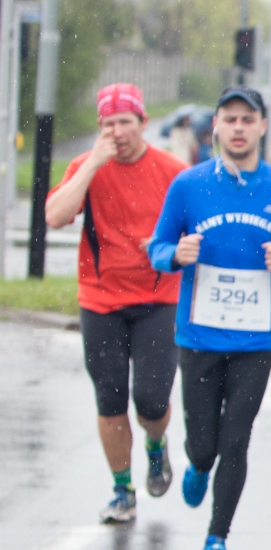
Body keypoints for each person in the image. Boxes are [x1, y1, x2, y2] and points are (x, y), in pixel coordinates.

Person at [147, 86, 271, 550]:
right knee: (204, 444)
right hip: (199, 336)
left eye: (248, 119)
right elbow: (157, 247)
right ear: (216, 127)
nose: (239, 128)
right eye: (230, 119)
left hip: (255, 341)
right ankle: (196, 464)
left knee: (236, 440)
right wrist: (174, 255)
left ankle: (217, 539)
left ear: (262, 126)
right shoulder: (188, 185)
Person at [44, 83, 187, 523]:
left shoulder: (172, 170)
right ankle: (122, 490)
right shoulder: (86, 166)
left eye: (126, 122)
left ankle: (156, 445)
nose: (118, 132)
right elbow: (55, 216)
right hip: (101, 298)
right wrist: (93, 163)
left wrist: (165, 242)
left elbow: (199, 230)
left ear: (144, 122)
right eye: (109, 124)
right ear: (100, 128)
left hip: (158, 298)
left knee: (151, 400)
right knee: (110, 399)